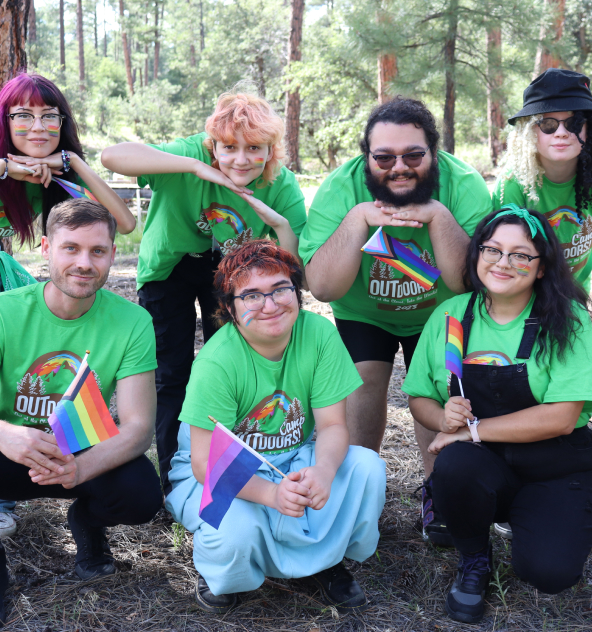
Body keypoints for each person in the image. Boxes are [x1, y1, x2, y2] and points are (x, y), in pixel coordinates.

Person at [402, 205, 592, 624]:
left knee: (549, 573)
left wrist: (471, 431)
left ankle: (530, 519)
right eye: (492, 250)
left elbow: (562, 418)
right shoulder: (450, 315)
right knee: (455, 467)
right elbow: (419, 398)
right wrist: (443, 418)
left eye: (521, 255)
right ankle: (475, 558)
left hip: (556, 466)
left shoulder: (568, 321)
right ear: (476, 254)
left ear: (543, 267)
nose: (503, 263)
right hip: (484, 466)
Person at [299, 97, 492, 540]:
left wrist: (438, 216)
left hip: (441, 308)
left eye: (413, 155)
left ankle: (440, 495)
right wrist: (358, 218)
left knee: (439, 388)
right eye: (383, 157)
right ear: (366, 156)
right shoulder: (340, 187)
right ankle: (355, 493)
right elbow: (323, 287)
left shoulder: (462, 185)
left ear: (435, 152)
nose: (398, 167)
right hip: (364, 310)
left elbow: (471, 284)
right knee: (361, 385)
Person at [101, 89, 307, 496]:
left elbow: (298, 269)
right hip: (169, 268)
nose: (241, 159)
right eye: (228, 147)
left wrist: (279, 225)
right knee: (172, 373)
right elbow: (112, 156)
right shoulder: (192, 152)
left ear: (271, 149)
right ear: (212, 143)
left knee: (226, 368)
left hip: (232, 275)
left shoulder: (280, 181)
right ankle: (171, 482)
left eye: (255, 148)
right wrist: (196, 166)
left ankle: (227, 470)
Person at [165, 240, 386, 614]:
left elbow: (333, 425)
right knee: (234, 534)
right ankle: (222, 574)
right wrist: (271, 495)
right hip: (220, 470)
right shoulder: (218, 361)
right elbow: (206, 465)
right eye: (251, 296)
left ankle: (324, 563)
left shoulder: (319, 334)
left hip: (293, 456)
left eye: (281, 289)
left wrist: (324, 472)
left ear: (296, 293)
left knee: (366, 467)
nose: (270, 305)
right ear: (229, 309)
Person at [0, 199, 162, 622]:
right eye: (70, 248)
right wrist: (7, 435)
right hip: (9, 447)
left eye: (97, 251)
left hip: (78, 448)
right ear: (45, 248)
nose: (84, 263)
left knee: (141, 493)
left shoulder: (132, 322)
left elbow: (139, 427)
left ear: (113, 253)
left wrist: (80, 470)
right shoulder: (5, 311)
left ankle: (88, 521)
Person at [494, 68, 592, 326]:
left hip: (576, 290)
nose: (561, 133)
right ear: (530, 132)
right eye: (547, 124)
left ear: (589, 128)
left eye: (574, 123)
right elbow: (506, 255)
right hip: (523, 292)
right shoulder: (513, 184)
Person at [0, 72, 136, 249]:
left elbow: (125, 224)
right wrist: (5, 167)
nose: (39, 127)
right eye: (24, 115)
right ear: (5, 121)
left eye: (49, 116)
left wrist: (73, 161)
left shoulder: (59, 177)